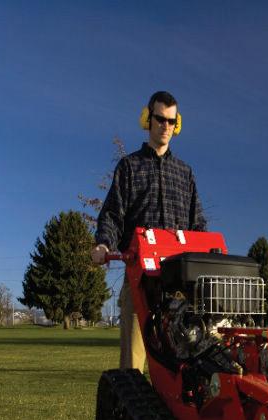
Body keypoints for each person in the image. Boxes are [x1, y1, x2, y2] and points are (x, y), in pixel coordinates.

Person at [92, 90, 207, 371]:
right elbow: (113, 214)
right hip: (140, 281)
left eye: (171, 121)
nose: (166, 126)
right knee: (132, 366)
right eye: (160, 119)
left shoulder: (185, 173)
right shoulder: (129, 167)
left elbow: (198, 225)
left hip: (179, 286)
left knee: (185, 368)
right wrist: (104, 244)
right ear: (148, 119)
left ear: (177, 124)